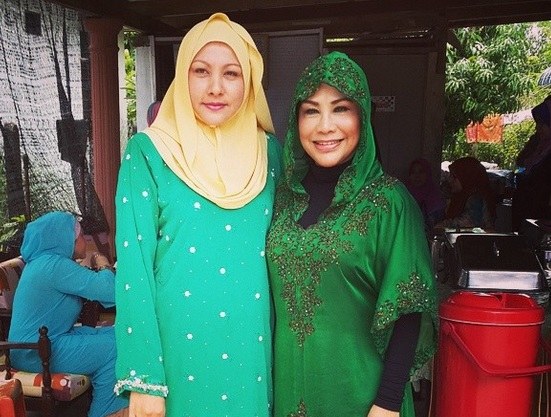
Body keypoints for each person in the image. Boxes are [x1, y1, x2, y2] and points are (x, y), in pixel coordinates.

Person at [113, 13, 282, 417]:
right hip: (178, 359)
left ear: (250, 82)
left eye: (231, 73)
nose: (215, 87)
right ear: (182, 76)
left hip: (253, 355)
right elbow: (135, 271)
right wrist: (144, 381)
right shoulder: (148, 153)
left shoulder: (270, 154)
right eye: (201, 71)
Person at [266, 51, 437, 417]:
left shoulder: (389, 201)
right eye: (311, 111)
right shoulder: (280, 198)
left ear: (362, 116)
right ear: (296, 120)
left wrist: (387, 402)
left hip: (363, 398)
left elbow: (408, 308)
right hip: (287, 394)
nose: (325, 126)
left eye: (341, 109)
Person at [8, 211, 128, 417]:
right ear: (65, 239)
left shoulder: (45, 263)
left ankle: (115, 402)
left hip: (40, 345)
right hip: (36, 352)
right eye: (81, 235)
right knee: (115, 348)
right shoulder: (54, 266)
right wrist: (104, 264)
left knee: (120, 334)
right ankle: (105, 412)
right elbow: (109, 290)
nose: (85, 240)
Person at [512, 99, 551, 231]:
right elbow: (520, 165)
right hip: (524, 207)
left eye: (542, 124)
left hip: (543, 213)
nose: (538, 128)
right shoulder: (536, 144)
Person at [437, 156, 496, 230]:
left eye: (454, 177)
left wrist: (441, 225)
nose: (450, 180)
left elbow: (467, 223)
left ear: (466, 177)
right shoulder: (458, 197)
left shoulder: (477, 200)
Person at [406, 157, 446, 235]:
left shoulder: (436, 197)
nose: (417, 176)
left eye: (421, 172)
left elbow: (438, 225)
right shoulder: (405, 195)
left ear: (428, 174)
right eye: (413, 172)